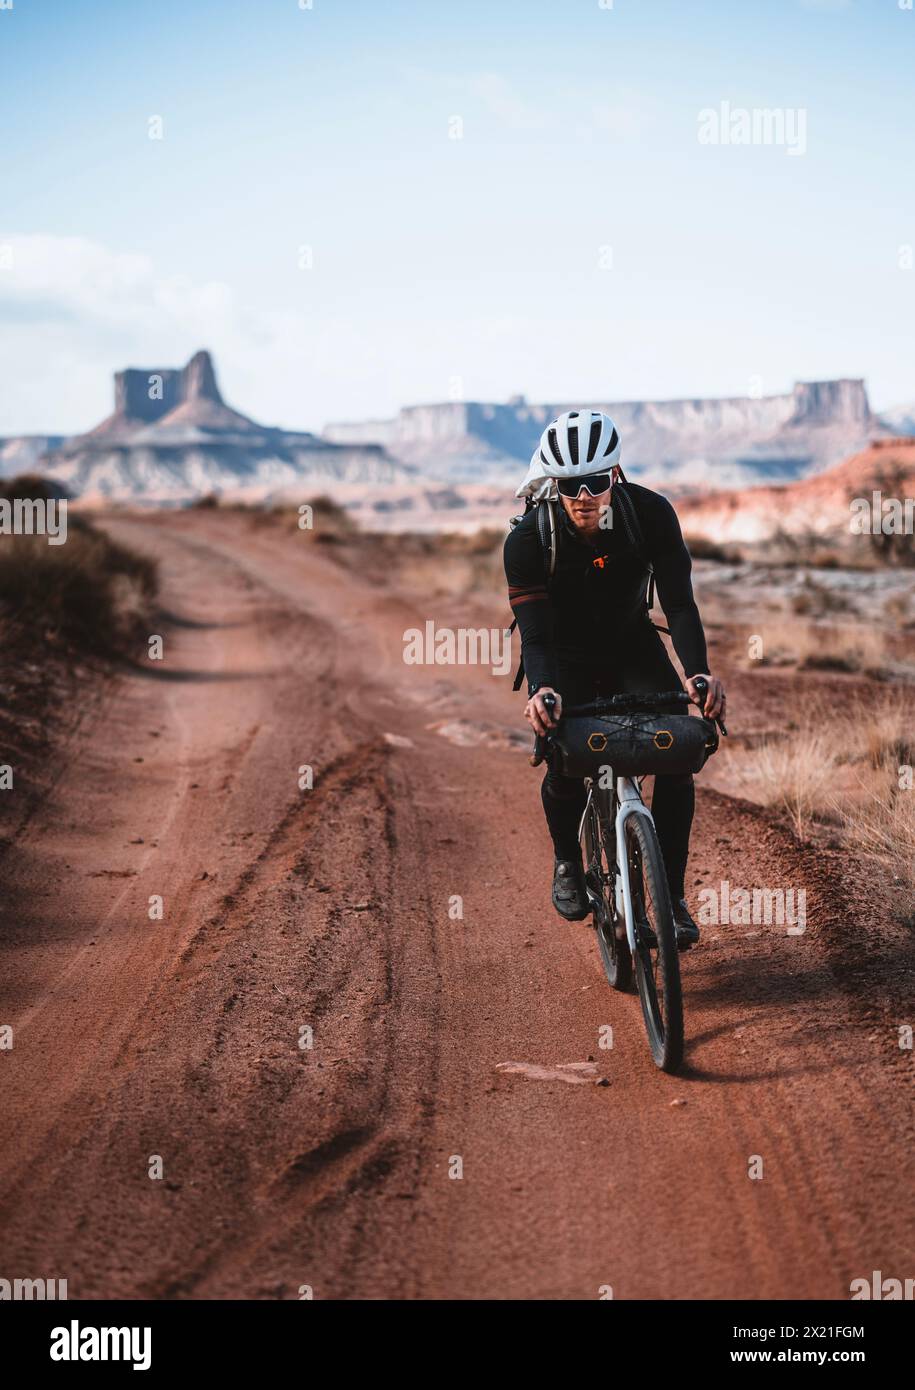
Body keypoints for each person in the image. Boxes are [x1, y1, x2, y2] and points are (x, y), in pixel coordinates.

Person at [504, 409, 726, 948]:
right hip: (563, 655)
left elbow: (678, 602)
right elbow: (534, 636)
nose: (584, 495)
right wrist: (543, 691)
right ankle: (566, 863)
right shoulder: (528, 540)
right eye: (569, 485)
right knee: (560, 753)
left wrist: (699, 674)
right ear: (552, 485)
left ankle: (670, 898)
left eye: (595, 482)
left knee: (676, 756)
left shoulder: (649, 515)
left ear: (615, 474)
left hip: (632, 643)